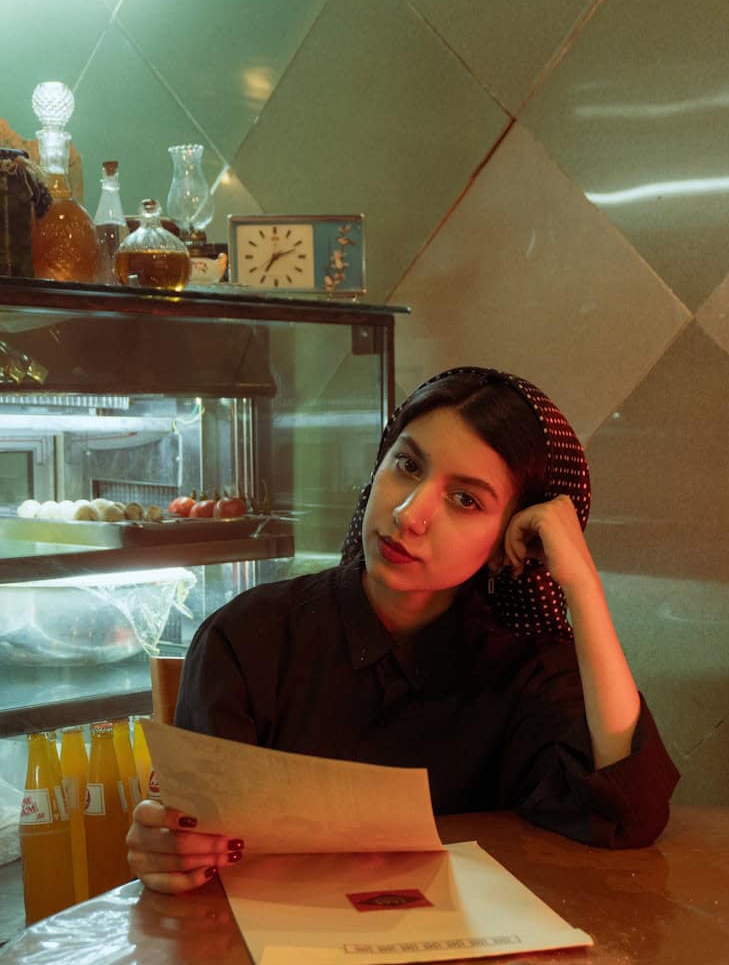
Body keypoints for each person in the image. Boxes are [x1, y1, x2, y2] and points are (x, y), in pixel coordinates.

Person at [127, 367, 679, 894]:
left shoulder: (525, 669)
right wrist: (172, 852)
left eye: (465, 500)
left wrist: (581, 585)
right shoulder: (248, 639)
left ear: (509, 540)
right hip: (271, 952)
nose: (410, 515)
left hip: (471, 957)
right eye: (408, 466)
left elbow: (628, 814)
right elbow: (200, 855)